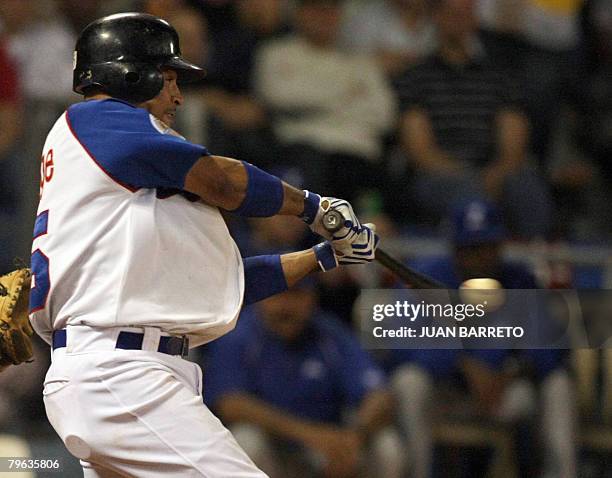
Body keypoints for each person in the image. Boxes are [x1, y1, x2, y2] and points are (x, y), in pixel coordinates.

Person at [28, 12, 378, 477]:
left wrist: (323, 257)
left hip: (114, 372)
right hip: (121, 374)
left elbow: (226, 286)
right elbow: (225, 182)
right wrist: (314, 208)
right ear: (129, 74)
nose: (176, 94)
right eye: (168, 77)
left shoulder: (131, 184)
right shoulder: (98, 118)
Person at [389, 199, 576, 478]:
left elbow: (552, 349)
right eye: (471, 249)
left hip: (504, 391)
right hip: (445, 390)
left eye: (488, 247)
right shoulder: (426, 277)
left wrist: (512, 372)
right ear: (455, 249)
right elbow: (399, 345)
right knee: (408, 382)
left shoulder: (519, 281)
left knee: (556, 385)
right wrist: (461, 363)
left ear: (500, 246)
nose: (481, 257)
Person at [204, 281, 404, 478]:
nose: (286, 306)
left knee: (386, 445)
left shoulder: (330, 334)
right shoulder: (239, 335)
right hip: (274, 449)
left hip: (329, 445)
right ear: (259, 298)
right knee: (246, 440)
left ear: (312, 297)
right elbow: (231, 405)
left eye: (296, 295)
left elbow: (379, 395)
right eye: (278, 295)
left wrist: (354, 437)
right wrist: (310, 435)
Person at [394, 0, 552, 238]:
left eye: (466, 13)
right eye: (452, 13)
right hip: (440, 174)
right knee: (464, 193)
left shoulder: (499, 76)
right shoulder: (415, 77)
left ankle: (538, 260)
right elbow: (420, 150)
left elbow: (514, 139)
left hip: (493, 171)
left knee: (525, 184)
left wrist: (497, 173)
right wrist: (472, 180)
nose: (459, 20)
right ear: (436, 17)